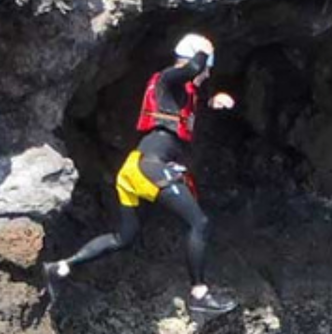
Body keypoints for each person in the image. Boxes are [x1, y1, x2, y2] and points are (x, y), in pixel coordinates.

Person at [46, 34, 239, 316]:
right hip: (148, 166)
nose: (207, 74)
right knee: (200, 222)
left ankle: (60, 267)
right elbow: (188, 71)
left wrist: (214, 101)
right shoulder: (168, 78)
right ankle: (199, 294)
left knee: (123, 238)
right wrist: (203, 51)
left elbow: (186, 109)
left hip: (135, 168)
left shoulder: (183, 92)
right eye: (207, 68)